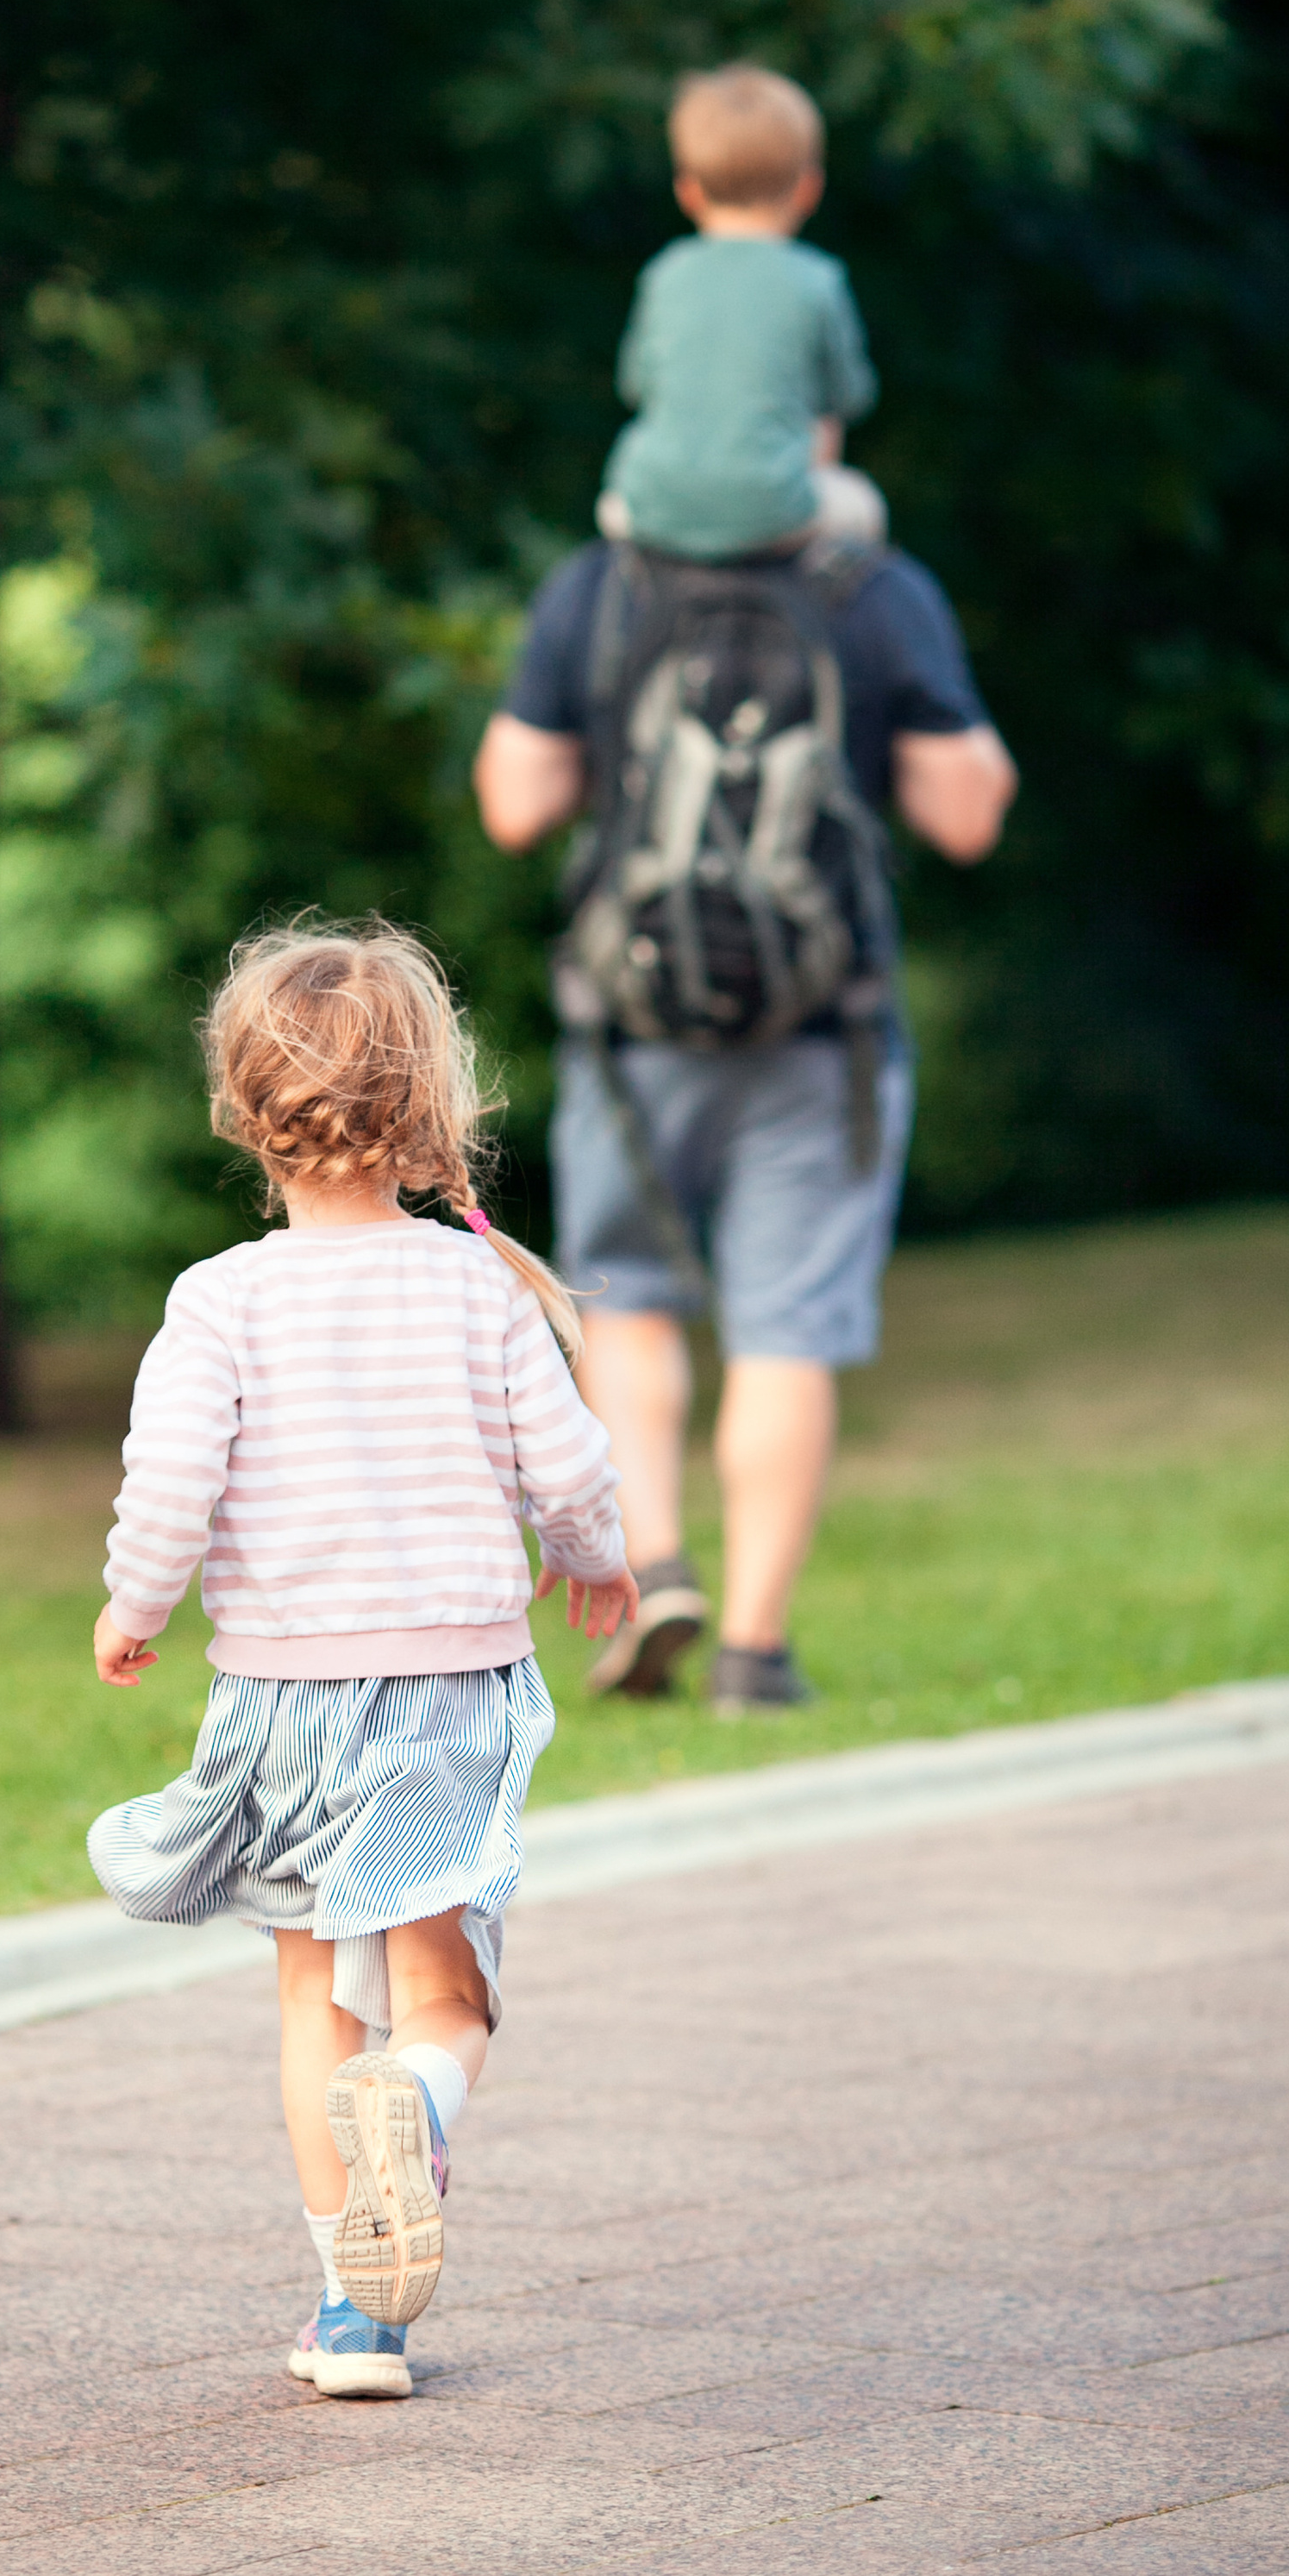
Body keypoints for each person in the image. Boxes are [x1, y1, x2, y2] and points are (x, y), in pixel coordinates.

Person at [86, 921, 634, 2400]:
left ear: (243, 1111)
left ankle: (353, 2318)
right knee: (442, 1998)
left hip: (283, 1698)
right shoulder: (477, 1288)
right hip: (449, 1694)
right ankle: (425, 2090)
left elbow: (173, 1480)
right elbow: (567, 1468)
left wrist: (136, 1605)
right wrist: (598, 1564)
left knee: (311, 2000)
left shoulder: (222, 1299)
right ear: (431, 1107)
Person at [472, 518, 1016, 1716]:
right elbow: (969, 815)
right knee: (788, 1330)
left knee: (625, 1297)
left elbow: (513, 804)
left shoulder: (600, 589)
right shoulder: (874, 589)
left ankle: (657, 1561)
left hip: (635, 1026)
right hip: (823, 1030)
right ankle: (756, 1655)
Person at [599, 62, 879, 561]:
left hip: (650, 508)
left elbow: (635, 387)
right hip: (779, 513)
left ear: (687, 190)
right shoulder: (817, 281)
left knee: (611, 510)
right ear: (808, 188)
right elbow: (848, 397)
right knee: (863, 505)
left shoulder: (665, 275)